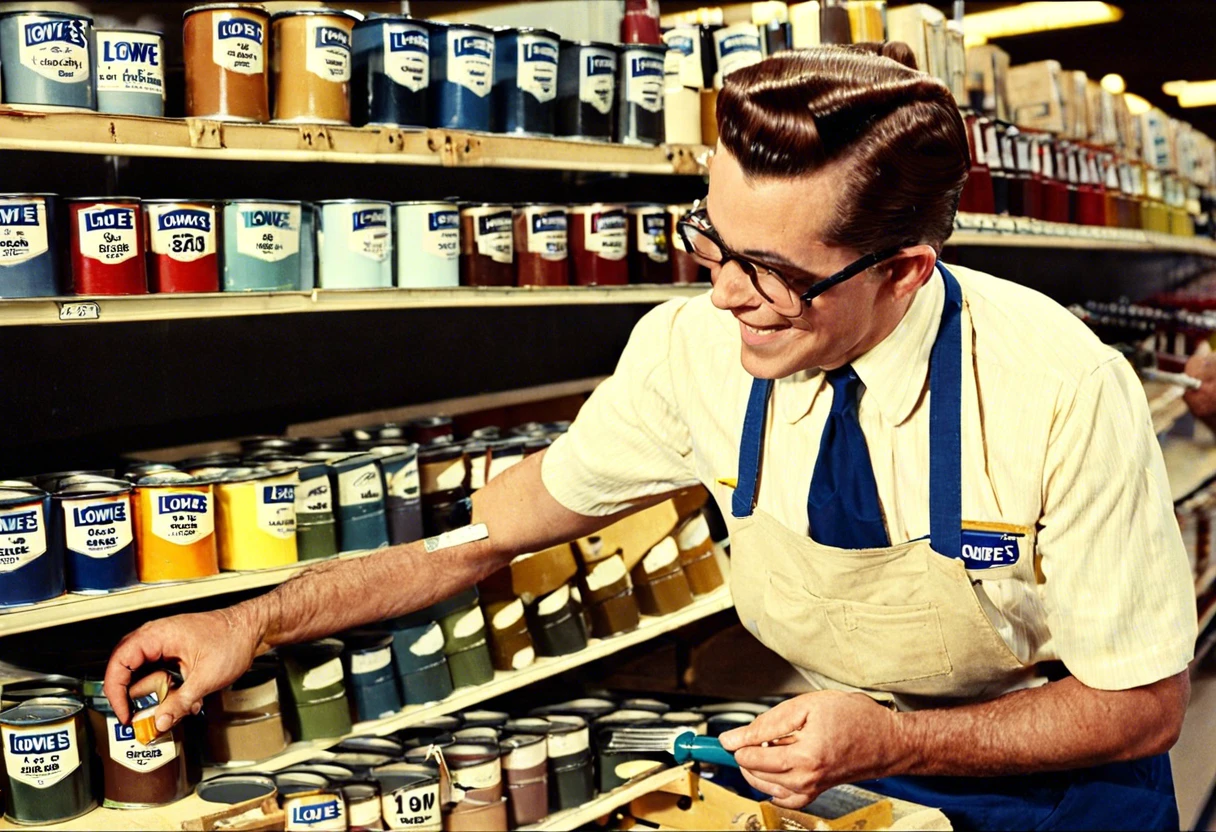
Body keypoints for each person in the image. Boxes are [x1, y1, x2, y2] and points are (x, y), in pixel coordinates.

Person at [104, 44, 1197, 831]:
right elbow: (480, 541)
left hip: (1058, 790)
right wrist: (256, 619)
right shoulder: (688, 351)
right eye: (712, 243)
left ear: (904, 268)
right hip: (833, 774)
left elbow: (1141, 707)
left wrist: (897, 738)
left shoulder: (1057, 386)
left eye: (773, 272)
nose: (724, 295)